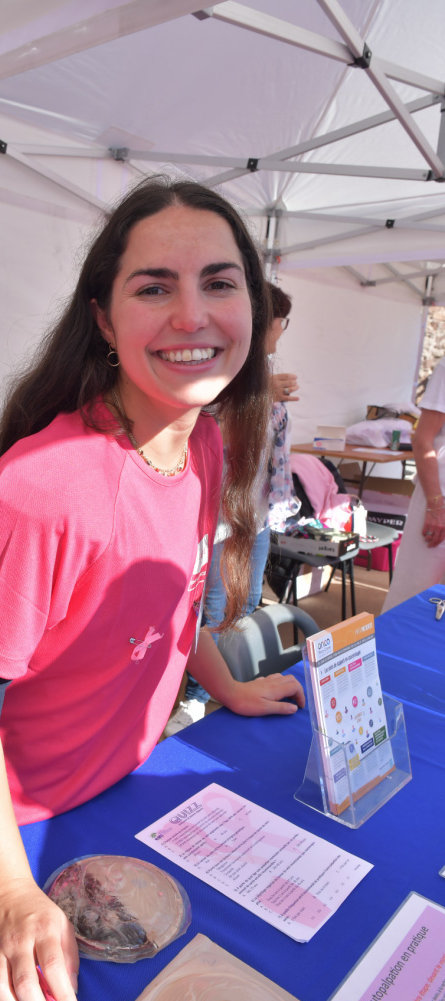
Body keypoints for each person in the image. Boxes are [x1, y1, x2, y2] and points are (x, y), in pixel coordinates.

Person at [0, 177, 305, 1001]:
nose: (192, 315)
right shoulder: (47, 488)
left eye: (219, 281)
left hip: (125, 796)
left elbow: (174, 605)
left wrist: (225, 685)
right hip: (17, 838)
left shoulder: (200, 442)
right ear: (103, 317)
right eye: (154, 287)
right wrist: (9, 892)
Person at [170, 283, 301, 734]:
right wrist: (260, 390)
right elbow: (205, 418)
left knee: (244, 601)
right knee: (211, 609)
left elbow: (273, 456)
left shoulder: (266, 378)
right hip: (217, 519)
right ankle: (194, 698)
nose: (282, 331)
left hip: (256, 515)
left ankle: (232, 685)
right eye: (280, 320)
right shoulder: (224, 375)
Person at [382, 354, 445, 611]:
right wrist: (435, 504)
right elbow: (422, 441)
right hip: (439, 494)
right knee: (413, 596)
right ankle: (392, 649)